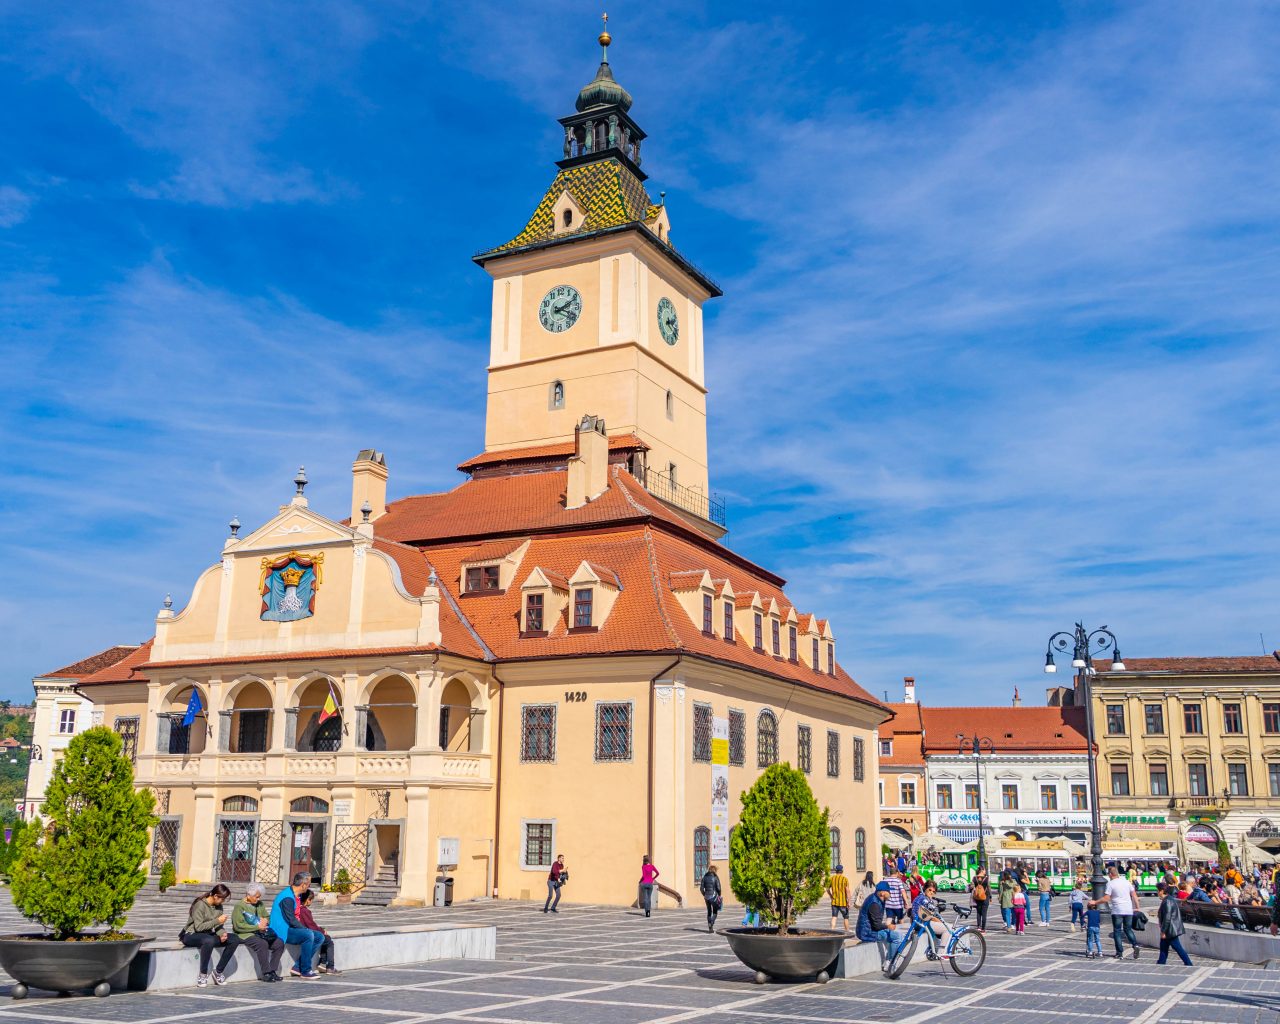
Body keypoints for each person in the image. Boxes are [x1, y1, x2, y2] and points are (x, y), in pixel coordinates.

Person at [180, 884, 241, 988]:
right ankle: (203, 975)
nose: (223, 901)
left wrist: (222, 934)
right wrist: (217, 920)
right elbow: (198, 927)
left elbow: (218, 926)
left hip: (206, 934)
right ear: (216, 896)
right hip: (190, 935)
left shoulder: (219, 907)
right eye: (223, 899)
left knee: (234, 939)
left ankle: (218, 971)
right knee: (209, 940)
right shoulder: (200, 905)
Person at [269, 871, 323, 979]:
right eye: (309, 884)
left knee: (319, 937)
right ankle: (306, 970)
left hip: (289, 928)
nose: (309, 887)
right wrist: (305, 930)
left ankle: (298, 967)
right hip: (282, 931)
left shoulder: (295, 895)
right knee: (308, 935)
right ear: (303, 885)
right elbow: (291, 920)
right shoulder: (287, 897)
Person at [232, 882, 285, 982]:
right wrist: (257, 927)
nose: (258, 899)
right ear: (248, 895)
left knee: (279, 943)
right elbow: (238, 926)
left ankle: (273, 970)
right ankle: (266, 972)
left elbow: (267, 916)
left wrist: (266, 920)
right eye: (256, 897)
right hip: (245, 934)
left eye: (259, 897)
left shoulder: (260, 905)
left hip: (261, 932)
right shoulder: (239, 906)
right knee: (262, 944)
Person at [1092, 864, 1141, 960]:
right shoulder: (1126, 882)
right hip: (1128, 910)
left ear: (1110, 874)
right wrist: (1137, 908)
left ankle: (1119, 953)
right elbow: (1134, 895)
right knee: (1128, 929)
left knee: (1117, 931)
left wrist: (1095, 902)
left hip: (1117, 910)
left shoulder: (1111, 884)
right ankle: (1135, 945)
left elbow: (1106, 898)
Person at [855, 881, 897, 966]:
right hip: (867, 933)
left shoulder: (877, 899)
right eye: (888, 891)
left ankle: (889, 958)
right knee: (897, 938)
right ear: (882, 893)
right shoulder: (875, 904)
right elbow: (877, 926)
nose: (890, 893)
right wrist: (888, 926)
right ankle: (889, 962)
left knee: (891, 935)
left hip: (868, 930)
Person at [297, 889, 339, 975]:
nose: (311, 902)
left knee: (326, 939)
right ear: (308, 900)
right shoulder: (305, 911)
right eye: (311, 900)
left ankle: (323, 963)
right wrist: (322, 931)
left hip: (304, 931)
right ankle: (330, 966)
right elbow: (311, 925)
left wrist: (321, 929)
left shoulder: (298, 909)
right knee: (329, 941)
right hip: (308, 933)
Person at [1155, 882, 1193, 966]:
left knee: (1177, 947)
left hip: (1170, 930)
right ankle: (1161, 962)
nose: (1157, 893)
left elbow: (1167, 917)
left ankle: (1188, 963)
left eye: (1158, 890)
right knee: (1163, 946)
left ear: (1161, 891)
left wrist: (1163, 931)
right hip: (1170, 929)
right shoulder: (1168, 899)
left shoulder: (1167, 901)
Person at [911, 880, 946, 959]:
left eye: (933, 891)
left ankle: (935, 950)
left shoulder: (923, 898)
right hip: (921, 923)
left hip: (917, 923)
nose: (931, 892)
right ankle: (939, 953)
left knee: (938, 928)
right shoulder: (924, 899)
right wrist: (941, 922)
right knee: (945, 929)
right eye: (930, 890)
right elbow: (931, 916)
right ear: (925, 888)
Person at [828, 864, 851, 932]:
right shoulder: (845, 879)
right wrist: (849, 901)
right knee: (846, 917)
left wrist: (831, 896)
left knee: (834, 917)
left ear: (836, 871)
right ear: (842, 871)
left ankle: (832, 930)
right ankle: (847, 931)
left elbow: (827, 889)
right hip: (843, 902)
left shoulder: (831, 879)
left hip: (834, 901)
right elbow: (847, 891)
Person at [700, 864, 722, 933]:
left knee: (709, 911)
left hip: (707, 897)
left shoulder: (704, 877)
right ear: (714, 870)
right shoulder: (715, 877)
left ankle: (710, 928)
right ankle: (711, 922)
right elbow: (718, 888)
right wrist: (719, 895)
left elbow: (701, 888)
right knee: (715, 911)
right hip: (714, 896)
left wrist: (704, 894)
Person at [970, 867, 990, 933]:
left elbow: (971, 887)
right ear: (982, 871)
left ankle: (978, 926)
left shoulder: (974, 878)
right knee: (984, 913)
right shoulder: (986, 878)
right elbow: (988, 888)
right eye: (984, 870)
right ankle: (983, 929)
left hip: (977, 897)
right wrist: (990, 897)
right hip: (985, 896)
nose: (985, 871)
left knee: (978, 912)